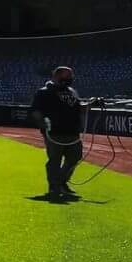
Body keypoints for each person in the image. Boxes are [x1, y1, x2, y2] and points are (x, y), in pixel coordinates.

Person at [33, 65, 89, 201]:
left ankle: (62, 181)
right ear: (56, 76)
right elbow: (35, 110)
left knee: (75, 157)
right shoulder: (44, 92)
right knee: (54, 160)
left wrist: (92, 103)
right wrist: (42, 123)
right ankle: (54, 187)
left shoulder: (71, 92)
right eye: (67, 76)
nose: (70, 79)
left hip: (73, 131)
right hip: (54, 132)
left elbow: (78, 107)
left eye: (70, 76)